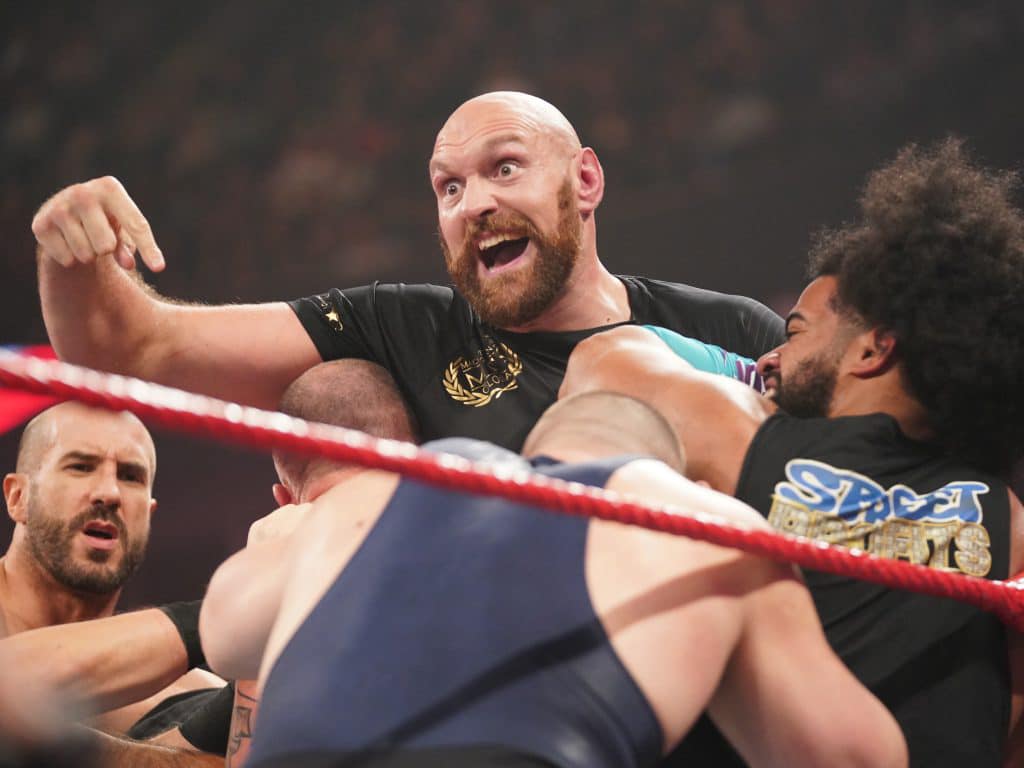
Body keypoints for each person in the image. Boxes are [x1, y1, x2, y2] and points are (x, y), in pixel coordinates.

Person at [559, 139, 1024, 766]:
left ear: (871, 350)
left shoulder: (748, 440)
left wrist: (731, 376)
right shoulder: (1009, 521)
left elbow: (601, 360)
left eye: (796, 332)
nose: (769, 358)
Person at [199, 359, 906, 768]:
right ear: (683, 476)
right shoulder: (705, 525)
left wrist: (299, 544)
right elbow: (864, 759)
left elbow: (222, 633)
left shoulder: (365, 498)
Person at [31, 91, 780, 451]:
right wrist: (71, 252)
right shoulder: (408, 329)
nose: (473, 204)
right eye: (448, 187)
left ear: (584, 181)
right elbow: (131, 347)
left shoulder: (728, 331)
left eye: (505, 167)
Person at [0, 401, 225, 765]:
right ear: (17, 497)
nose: (109, 493)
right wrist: (231, 608)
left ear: (149, 515)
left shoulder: (189, 695)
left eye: (131, 476)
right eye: (80, 466)